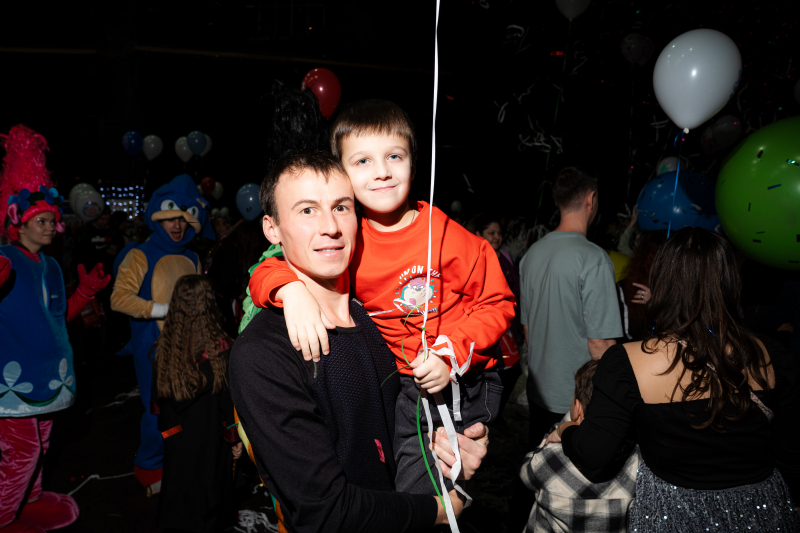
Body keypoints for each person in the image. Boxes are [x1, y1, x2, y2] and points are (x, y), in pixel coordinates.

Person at [247, 100, 514, 498]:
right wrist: (291, 290)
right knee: (399, 482)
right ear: (342, 174)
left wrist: (450, 355)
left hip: (461, 376)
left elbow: (498, 302)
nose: (382, 172)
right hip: (407, 384)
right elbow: (265, 269)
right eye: (363, 162)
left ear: (413, 164)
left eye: (394, 157)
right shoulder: (348, 239)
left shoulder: (445, 234)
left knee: (427, 487)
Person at [230, 150, 489, 532]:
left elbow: (396, 430)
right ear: (272, 228)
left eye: (341, 207)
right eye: (307, 210)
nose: (330, 227)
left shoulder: (382, 318)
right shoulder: (263, 354)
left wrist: (445, 446)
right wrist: (439, 510)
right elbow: (326, 512)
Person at [551, 227, 800, 532]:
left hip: (675, 516)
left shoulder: (627, 362)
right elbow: (792, 456)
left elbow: (593, 454)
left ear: (662, 282)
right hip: (762, 514)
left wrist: (566, 430)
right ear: (730, 282)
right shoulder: (771, 353)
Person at [0, 125, 110, 533]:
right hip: (12, 380)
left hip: (49, 375)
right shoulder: (5, 258)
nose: (52, 226)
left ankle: (28, 502)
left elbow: (58, 317)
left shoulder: (48, 265)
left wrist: (84, 292)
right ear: (19, 222)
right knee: (23, 452)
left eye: (53, 220)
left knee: (42, 446)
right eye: (43, 221)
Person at [111, 174, 216, 494]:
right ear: (157, 218)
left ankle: (177, 458)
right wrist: (163, 310)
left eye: (183, 219)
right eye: (171, 218)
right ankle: (149, 463)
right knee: (156, 409)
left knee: (186, 407)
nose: (177, 226)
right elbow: (120, 299)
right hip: (152, 348)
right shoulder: (139, 255)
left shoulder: (192, 257)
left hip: (189, 347)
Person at [519, 167, 622, 445]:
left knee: (539, 463)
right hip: (577, 400)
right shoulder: (594, 259)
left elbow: (528, 331)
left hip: (539, 392)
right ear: (591, 199)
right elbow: (600, 344)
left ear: (557, 202)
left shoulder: (531, 255)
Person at [152, 275, 242, 533]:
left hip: (175, 434)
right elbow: (228, 404)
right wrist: (234, 438)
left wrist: (168, 433)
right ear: (208, 303)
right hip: (210, 437)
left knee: (178, 487)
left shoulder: (165, 348)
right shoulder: (222, 350)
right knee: (210, 492)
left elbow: (158, 403)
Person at [521, 359, 638, 533]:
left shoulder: (552, 457)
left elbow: (527, 473)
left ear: (577, 408)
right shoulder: (638, 462)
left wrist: (563, 427)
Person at [470, 214, 521, 415]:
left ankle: (494, 412)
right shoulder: (475, 257)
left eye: (499, 233)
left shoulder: (505, 256)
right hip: (488, 324)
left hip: (508, 324)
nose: (496, 237)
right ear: (478, 234)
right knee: (497, 371)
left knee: (511, 370)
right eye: (491, 232)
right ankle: (488, 413)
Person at [617, 230, 666, 340]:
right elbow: (628, 335)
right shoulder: (627, 288)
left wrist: (658, 305)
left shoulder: (677, 289)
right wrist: (653, 308)